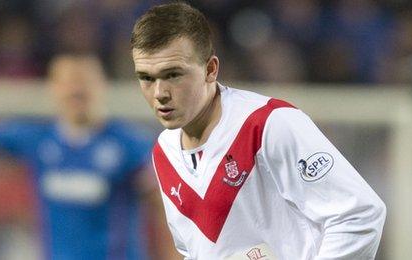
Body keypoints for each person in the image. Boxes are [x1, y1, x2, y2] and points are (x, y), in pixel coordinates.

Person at [131, 3, 386, 259]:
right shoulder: (164, 151)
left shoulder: (270, 124)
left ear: (210, 69)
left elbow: (359, 215)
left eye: (173, 74)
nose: (159, 93)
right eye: (146, 78)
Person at [0, 54, 177, 259]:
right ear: (53, 88)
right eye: (68, 81)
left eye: (84, 80)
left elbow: (165, 211)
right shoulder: (37, 139)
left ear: (101, 85)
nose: (76, 89)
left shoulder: (130, 144)